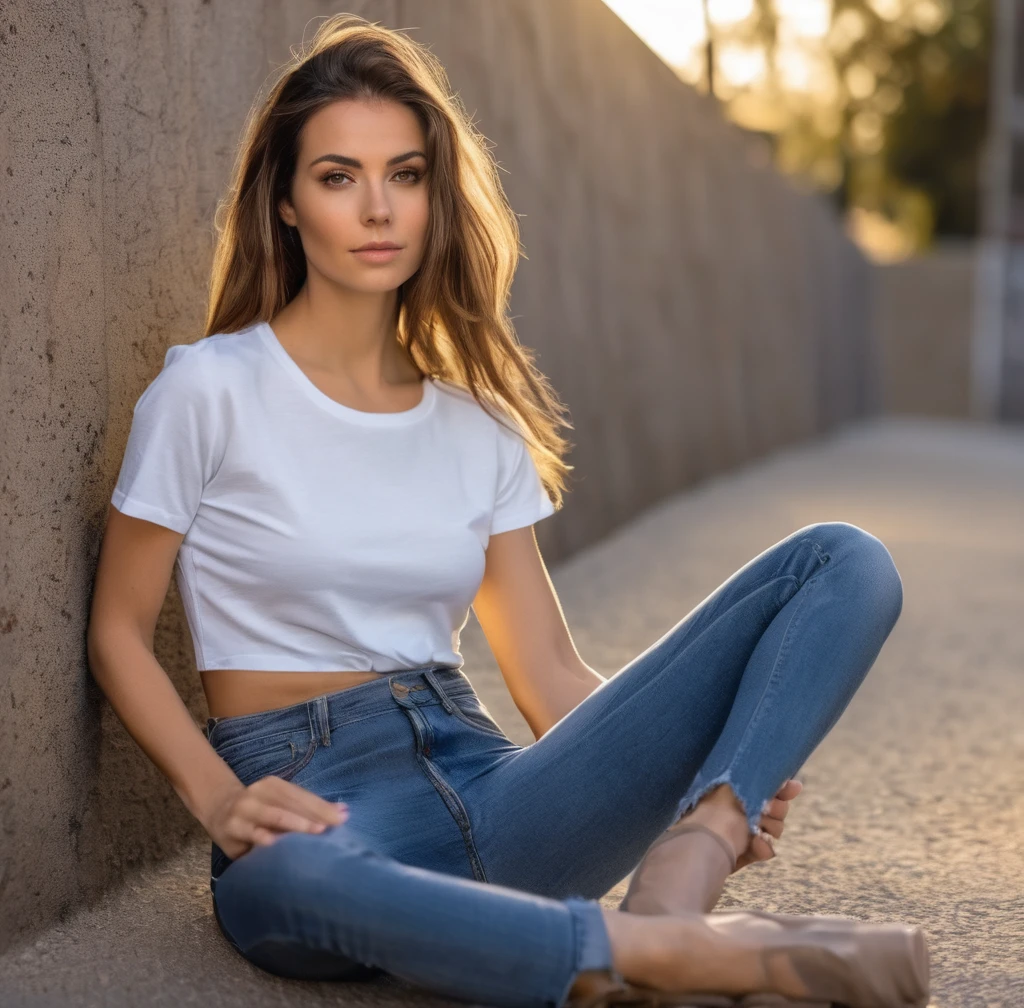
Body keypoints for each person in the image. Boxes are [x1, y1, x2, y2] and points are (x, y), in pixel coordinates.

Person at [86, 13, 930, 1008]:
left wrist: (705, 766)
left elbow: (547, 676)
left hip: (489, 784)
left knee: (843, 562)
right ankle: (684, 955)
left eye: (405, 174)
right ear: (284, 201)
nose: (377, 209)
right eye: (337, 176)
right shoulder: (210, 391)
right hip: (316, 798)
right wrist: (219, 797)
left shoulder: (476, 425)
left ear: (438, 197)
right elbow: (118, 630)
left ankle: (689, 870)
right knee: (288, 883)